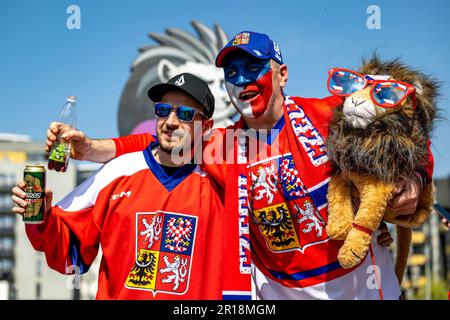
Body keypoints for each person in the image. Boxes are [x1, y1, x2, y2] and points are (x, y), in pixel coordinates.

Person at [42, 32, 432, 299]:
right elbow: (164, 140)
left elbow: (406, 134)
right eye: (233, 73)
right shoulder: (223, 146)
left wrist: (415, 180)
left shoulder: (326, 116)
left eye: (253, 68)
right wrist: (93, 148)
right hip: (278, 291)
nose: (242, 80)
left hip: (359, 283)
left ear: (282, 74)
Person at [12, 73, 236, 300]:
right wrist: (42, 217)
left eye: (185, 114)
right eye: (163, 110)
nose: (170, 122)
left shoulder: (223, 178)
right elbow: (69, 253)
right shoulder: (117, 171)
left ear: (206, 126)